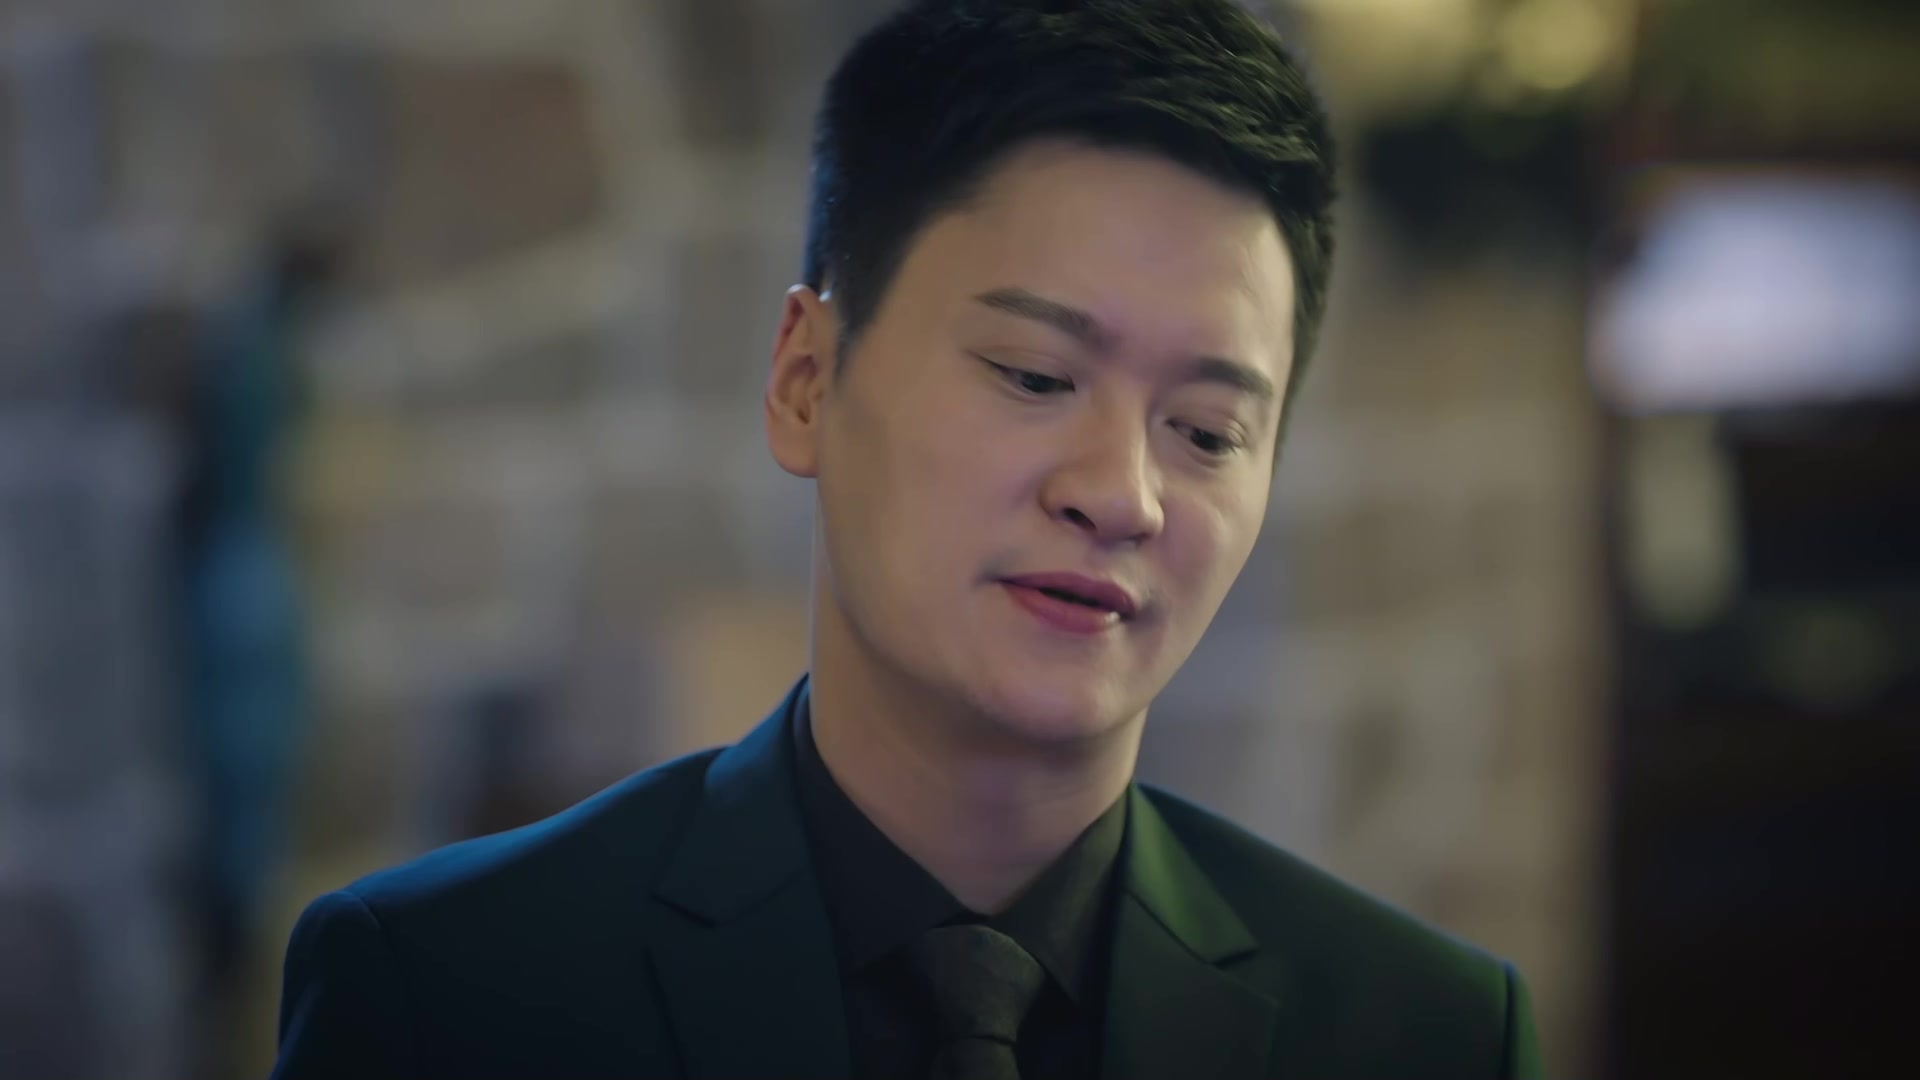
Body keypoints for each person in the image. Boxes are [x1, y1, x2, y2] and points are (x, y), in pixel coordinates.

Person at [270, 2, 1544, 1077]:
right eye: (1035, 374)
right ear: (807, 380)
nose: (1123, 495)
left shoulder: (1427, 1037)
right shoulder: (448, 993)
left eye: (1207, 432)